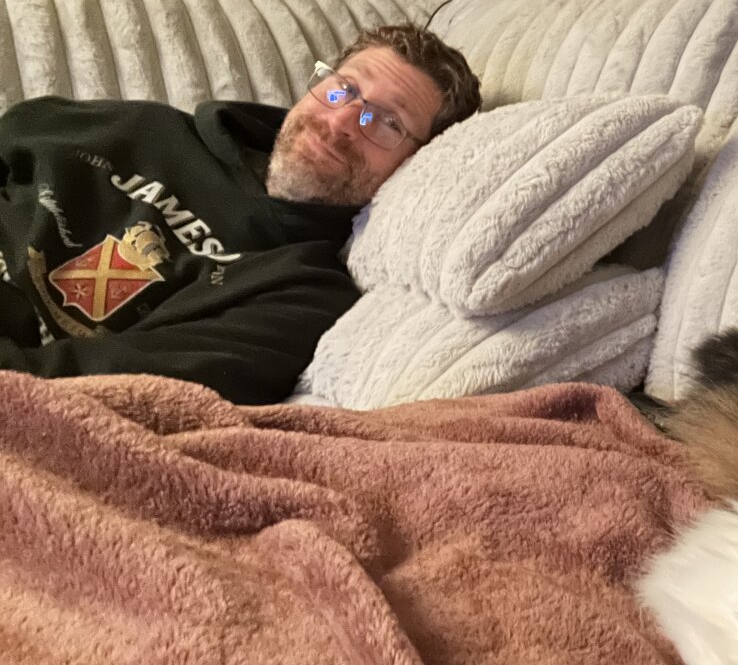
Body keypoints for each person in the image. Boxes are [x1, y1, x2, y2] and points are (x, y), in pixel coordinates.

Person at [0, 23, 481, 404]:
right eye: (342, 89)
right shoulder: (145, 127)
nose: (339, 123)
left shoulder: (303, 294)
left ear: (419, 164)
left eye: (386, 122)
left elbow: (100, 391)